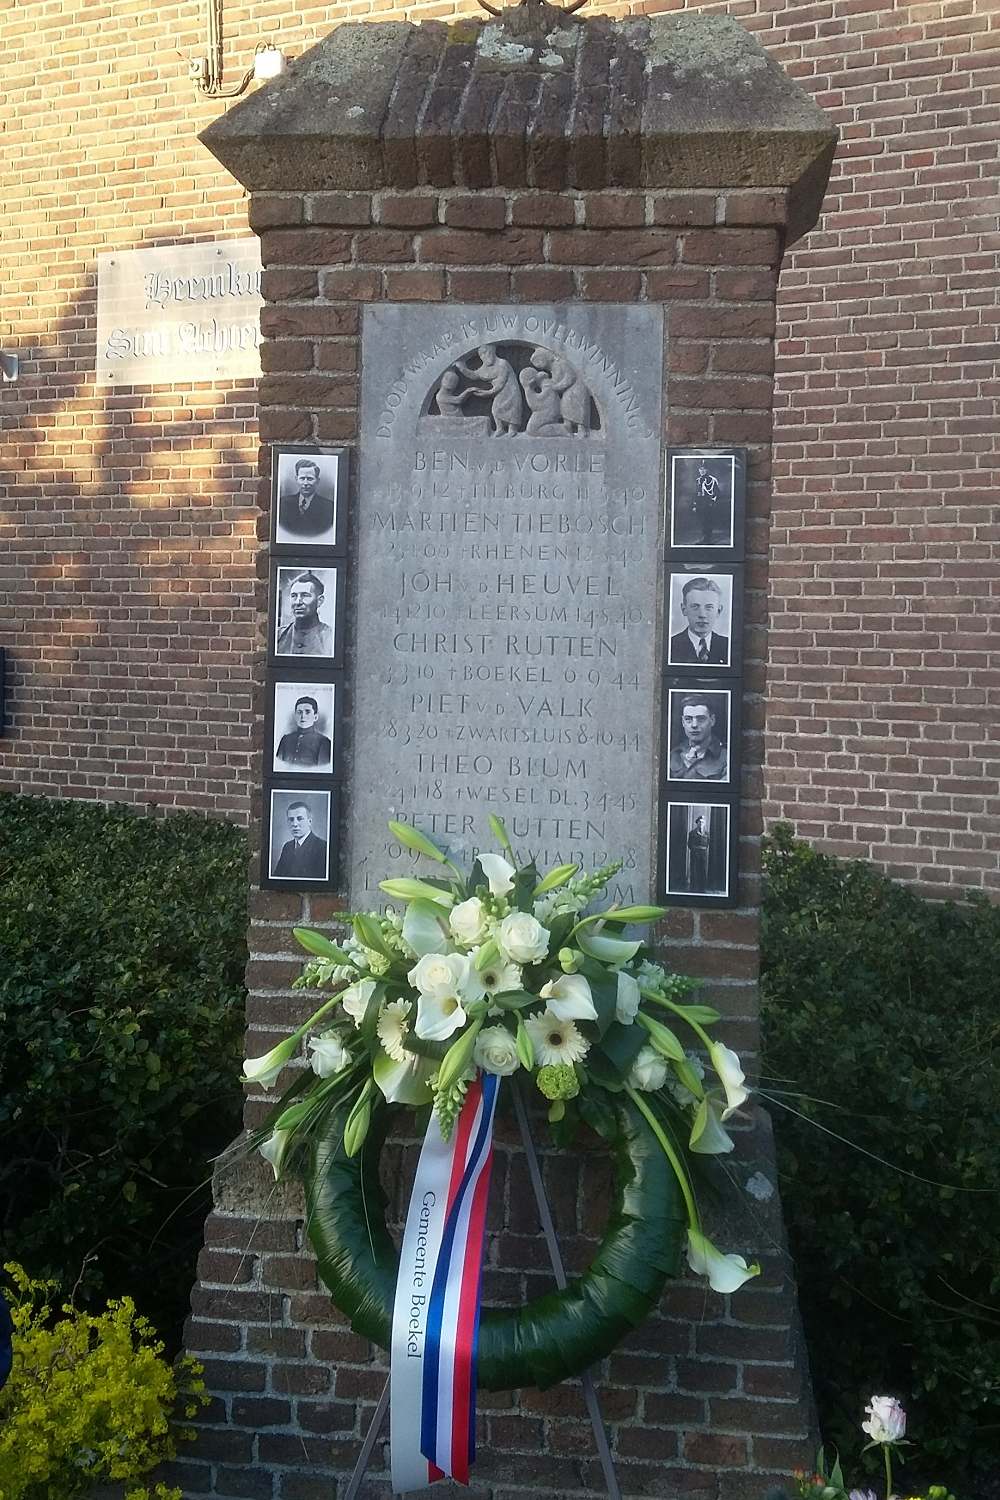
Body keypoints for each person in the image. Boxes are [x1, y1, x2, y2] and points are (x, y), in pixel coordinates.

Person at [455, 345, 523, 435]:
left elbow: (501, 383)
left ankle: (512, 429)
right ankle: (500, 428)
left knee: (513, 408)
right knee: (496, 409)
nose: (484, 357)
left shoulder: (503, 364)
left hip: (510, 391)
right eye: (481, 355)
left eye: (486, 353)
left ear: (492, 352)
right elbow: (474, 375)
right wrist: (462, 368)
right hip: (499, 393)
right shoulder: (485, 367)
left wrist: (487, 393)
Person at [669, 577, 730, 666]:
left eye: (709, 607)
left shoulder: (728, 646)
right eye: (695, 607)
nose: (702, 615)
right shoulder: (671, 646)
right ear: (684, 609)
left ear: (718, 611)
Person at [669, 694, 727, 781]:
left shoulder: (725, 757)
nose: (694, 725)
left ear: (712, 720)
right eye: (688, 719)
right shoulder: (673, 755)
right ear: (683, 722)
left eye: (701, 719)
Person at [275, 571, 334, 658]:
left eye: (305, 595)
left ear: (320, 601)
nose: (298, 602)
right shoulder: (279, 635)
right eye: (294, 596)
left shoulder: (330, 637)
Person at [277, 458, 336, 541]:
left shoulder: (329, 506)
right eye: (302, 478)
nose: (305, 483)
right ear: (296, 479)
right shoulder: (282, 503)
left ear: (317, 481)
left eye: (309, 479)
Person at [275, 695, 333, 770]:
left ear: (315, 717)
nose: (303, 716)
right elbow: (278, 766)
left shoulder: (323, 741)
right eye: (299, 712)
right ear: (295, 716)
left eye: (307, 712)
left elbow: (322, 770)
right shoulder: (286, 739)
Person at [274, 801, 328, 879]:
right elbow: (277, 877)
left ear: (310, 821)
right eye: (291, 819)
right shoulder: (287, 847)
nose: (295, 824)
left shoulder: (322, 847)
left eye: (300, 819)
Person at [690, 461, 724, 545]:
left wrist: (712, 501)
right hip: (700, 503)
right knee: (702, 521)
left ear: (707, 470)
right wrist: (694, 504)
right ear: (698, 470)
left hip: (708, 503)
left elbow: (717, 493)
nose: (702, 471)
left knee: (708, 520)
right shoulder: (698, 480)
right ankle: (704, 537)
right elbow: (696, 493)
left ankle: (707, 538)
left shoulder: (712, 480)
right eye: (700, 469)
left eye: (704, 469)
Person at [687, 814, 710, 891]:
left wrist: (703, 850)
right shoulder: (692, 833)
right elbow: (689, 844)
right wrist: (695, 850)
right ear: (697, 823)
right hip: (695, 854)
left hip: (703, 854)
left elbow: (707, 844)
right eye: (700, 822)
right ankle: (693, 887)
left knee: (702, 869)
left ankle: (702, 887)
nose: (701, 824)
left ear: (705, 824)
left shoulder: (707, 834)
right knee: (694, 870)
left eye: (703, 822)